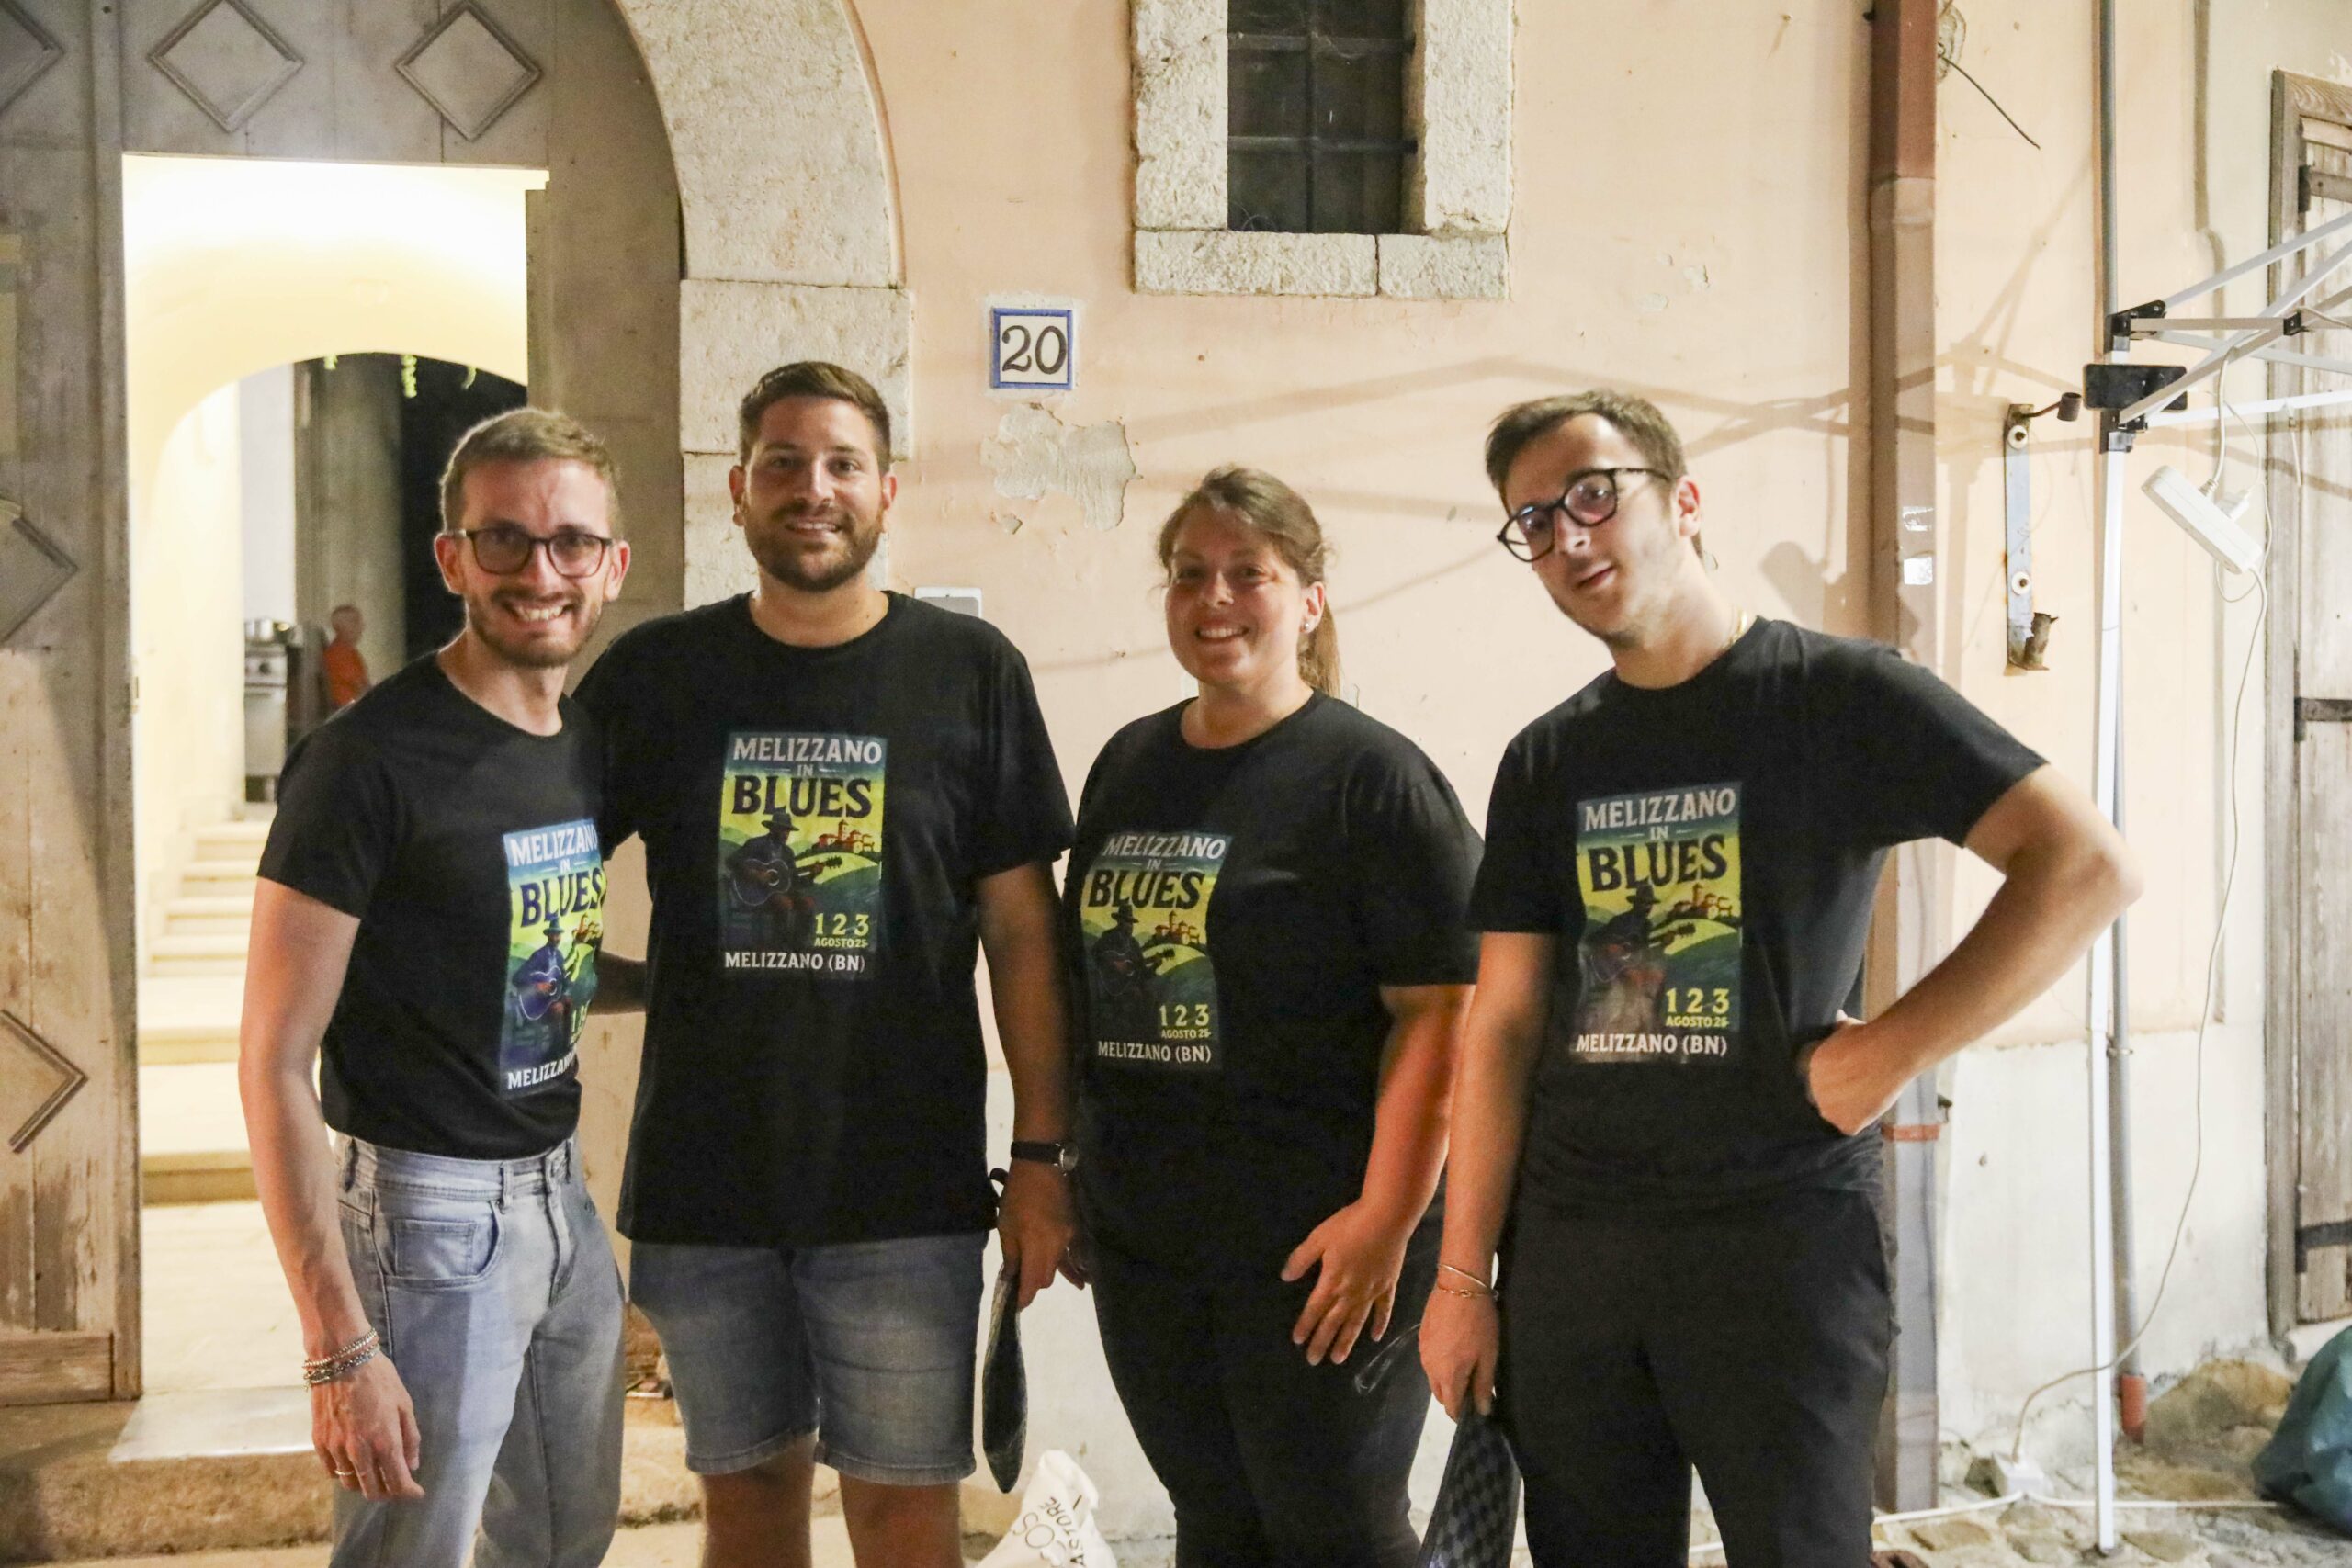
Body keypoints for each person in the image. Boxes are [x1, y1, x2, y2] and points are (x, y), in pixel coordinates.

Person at [1419, 389, 2143, 1566]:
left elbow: (2084, 866)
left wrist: (1884, 1057)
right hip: (1573, 1251)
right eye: (1535, 522)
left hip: (1777, 1246)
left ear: (1685, 500)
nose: (1569, 538)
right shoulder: (1548, 758)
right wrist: (1461, 1280)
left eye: (1593, 495)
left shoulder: (1838, 696)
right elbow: (1499, 1029)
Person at [575, 362, 1077, 1568]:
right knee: (747, 1504)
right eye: (784, 463)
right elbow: (531, 857)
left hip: (903, 1189)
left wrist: (1043, 1156)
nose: (815, 488)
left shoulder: (969, 670)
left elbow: (1023, 935)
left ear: (887, 489)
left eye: (843, 463)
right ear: (739, 490)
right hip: (705, 1182)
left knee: (905, 1515)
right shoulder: (656, 675)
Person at [239, 409, 633, 1567]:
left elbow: (530, 962)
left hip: (559, 1200)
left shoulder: (575, 743)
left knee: (562, 1539)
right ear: (453, 557)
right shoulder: (363, 762)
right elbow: (273, 1061)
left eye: (570, 542)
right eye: (503, 539)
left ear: (611, 565)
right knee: (409, 1552)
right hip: (427, 1218)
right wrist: (337, 1344)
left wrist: (695, 987)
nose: (540, 572)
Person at [1068, 467, 1481, 1568]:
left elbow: (1444, 1012)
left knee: (1333, 1529)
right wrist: (1065, 1168)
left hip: (1321, 1242)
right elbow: (1086, 986)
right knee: (1215, 1521)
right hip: (1150, 1238)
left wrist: (1386, 1219)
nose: (1214, 598)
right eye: (1189, 573)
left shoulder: (1371, 779)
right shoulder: (1128, 764)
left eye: (1247, 573)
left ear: (1308, 600)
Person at [323, 604, 373, 708]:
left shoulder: (351, 652)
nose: (361, 627)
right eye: (355, 621)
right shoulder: (339, 653)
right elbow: (361, 688)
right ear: (339, 627)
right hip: (349, 711)